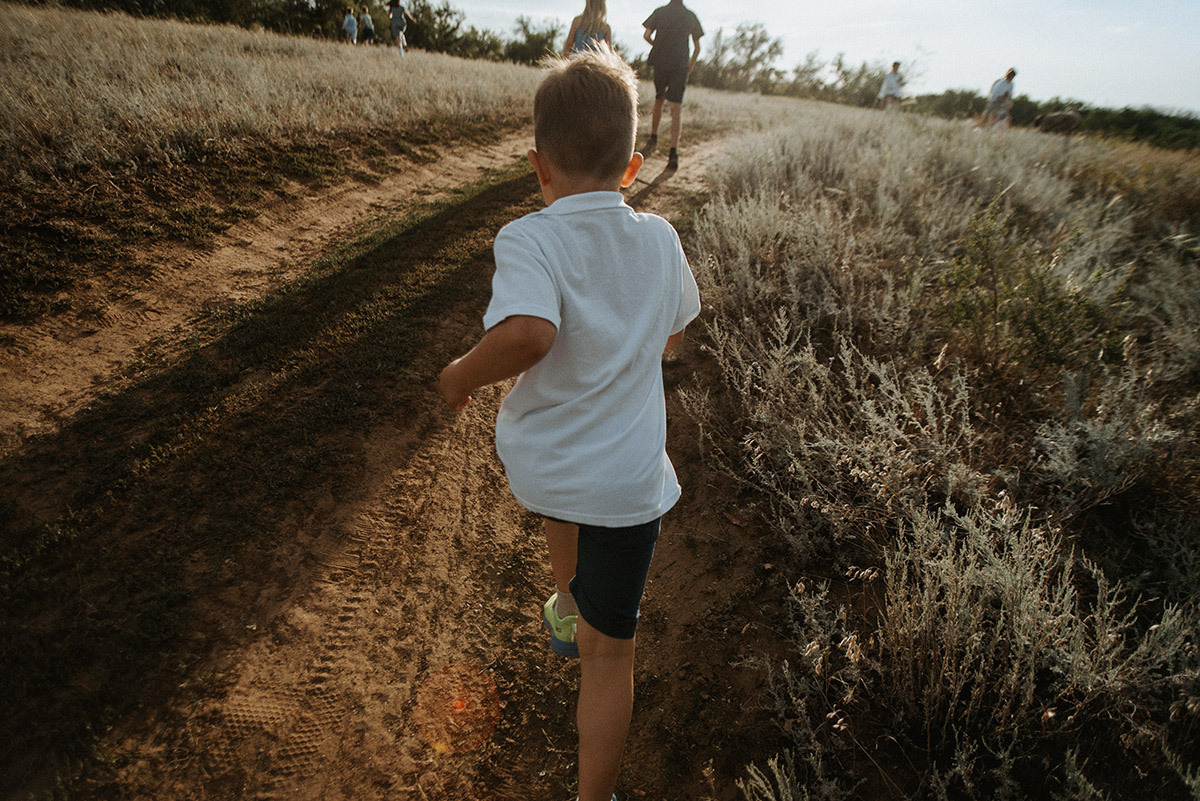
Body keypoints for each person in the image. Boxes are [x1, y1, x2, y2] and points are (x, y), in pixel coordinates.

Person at [438, 45, 701, 801]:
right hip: (626, 488)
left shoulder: (529, 237)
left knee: (564, 479)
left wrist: (461, 374)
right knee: (609, 656)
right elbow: (675, 337)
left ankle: (565, 602)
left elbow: (529, 334)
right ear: (633, 167)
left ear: (539, 167)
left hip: (549, 467)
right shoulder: (660, 239)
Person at [642, 0, 703, 170]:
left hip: (661, 62)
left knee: (659, 99)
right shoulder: (690, 16)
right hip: (680, 65)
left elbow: (646, 35)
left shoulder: (660, 12)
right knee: (676, 107)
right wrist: (690, 65)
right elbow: (697, 47)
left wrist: (658, 46)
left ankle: (653, 137)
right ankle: (673, 152)